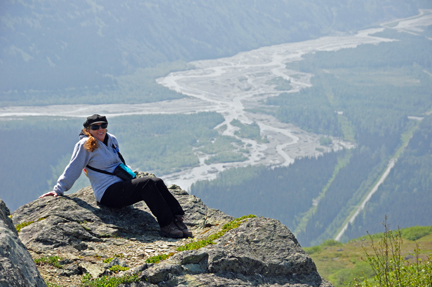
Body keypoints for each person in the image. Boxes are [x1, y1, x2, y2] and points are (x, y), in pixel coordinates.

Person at [39, 114, 192, 238]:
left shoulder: (111, 139)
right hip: (108, 194)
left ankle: (177, 218)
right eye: (95, 127)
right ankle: (166, 225)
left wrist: (131, 176)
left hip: (121, 187)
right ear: (87, 130)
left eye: (103, 126)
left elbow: (118, 162)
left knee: (156, 181)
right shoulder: (84, 145)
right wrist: (59, 189)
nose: (100, 129)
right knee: (147, 184)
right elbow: (73, 167)